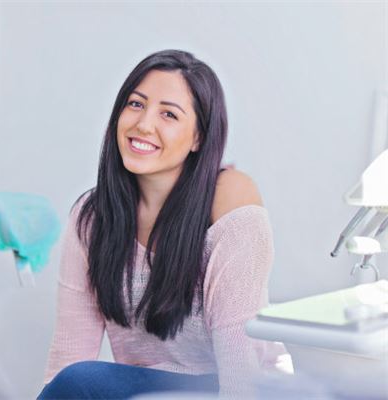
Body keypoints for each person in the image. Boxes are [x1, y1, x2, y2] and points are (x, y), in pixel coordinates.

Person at [37, 49, 289, 399]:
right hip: (152, 390)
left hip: (236, 389)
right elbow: (70, 356)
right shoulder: (92, 216)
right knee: (76, 379)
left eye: (169, 114)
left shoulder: (229, 196)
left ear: (198, 137)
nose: (143, 124)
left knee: (81, 381)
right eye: (136, 104)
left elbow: (240, 361)